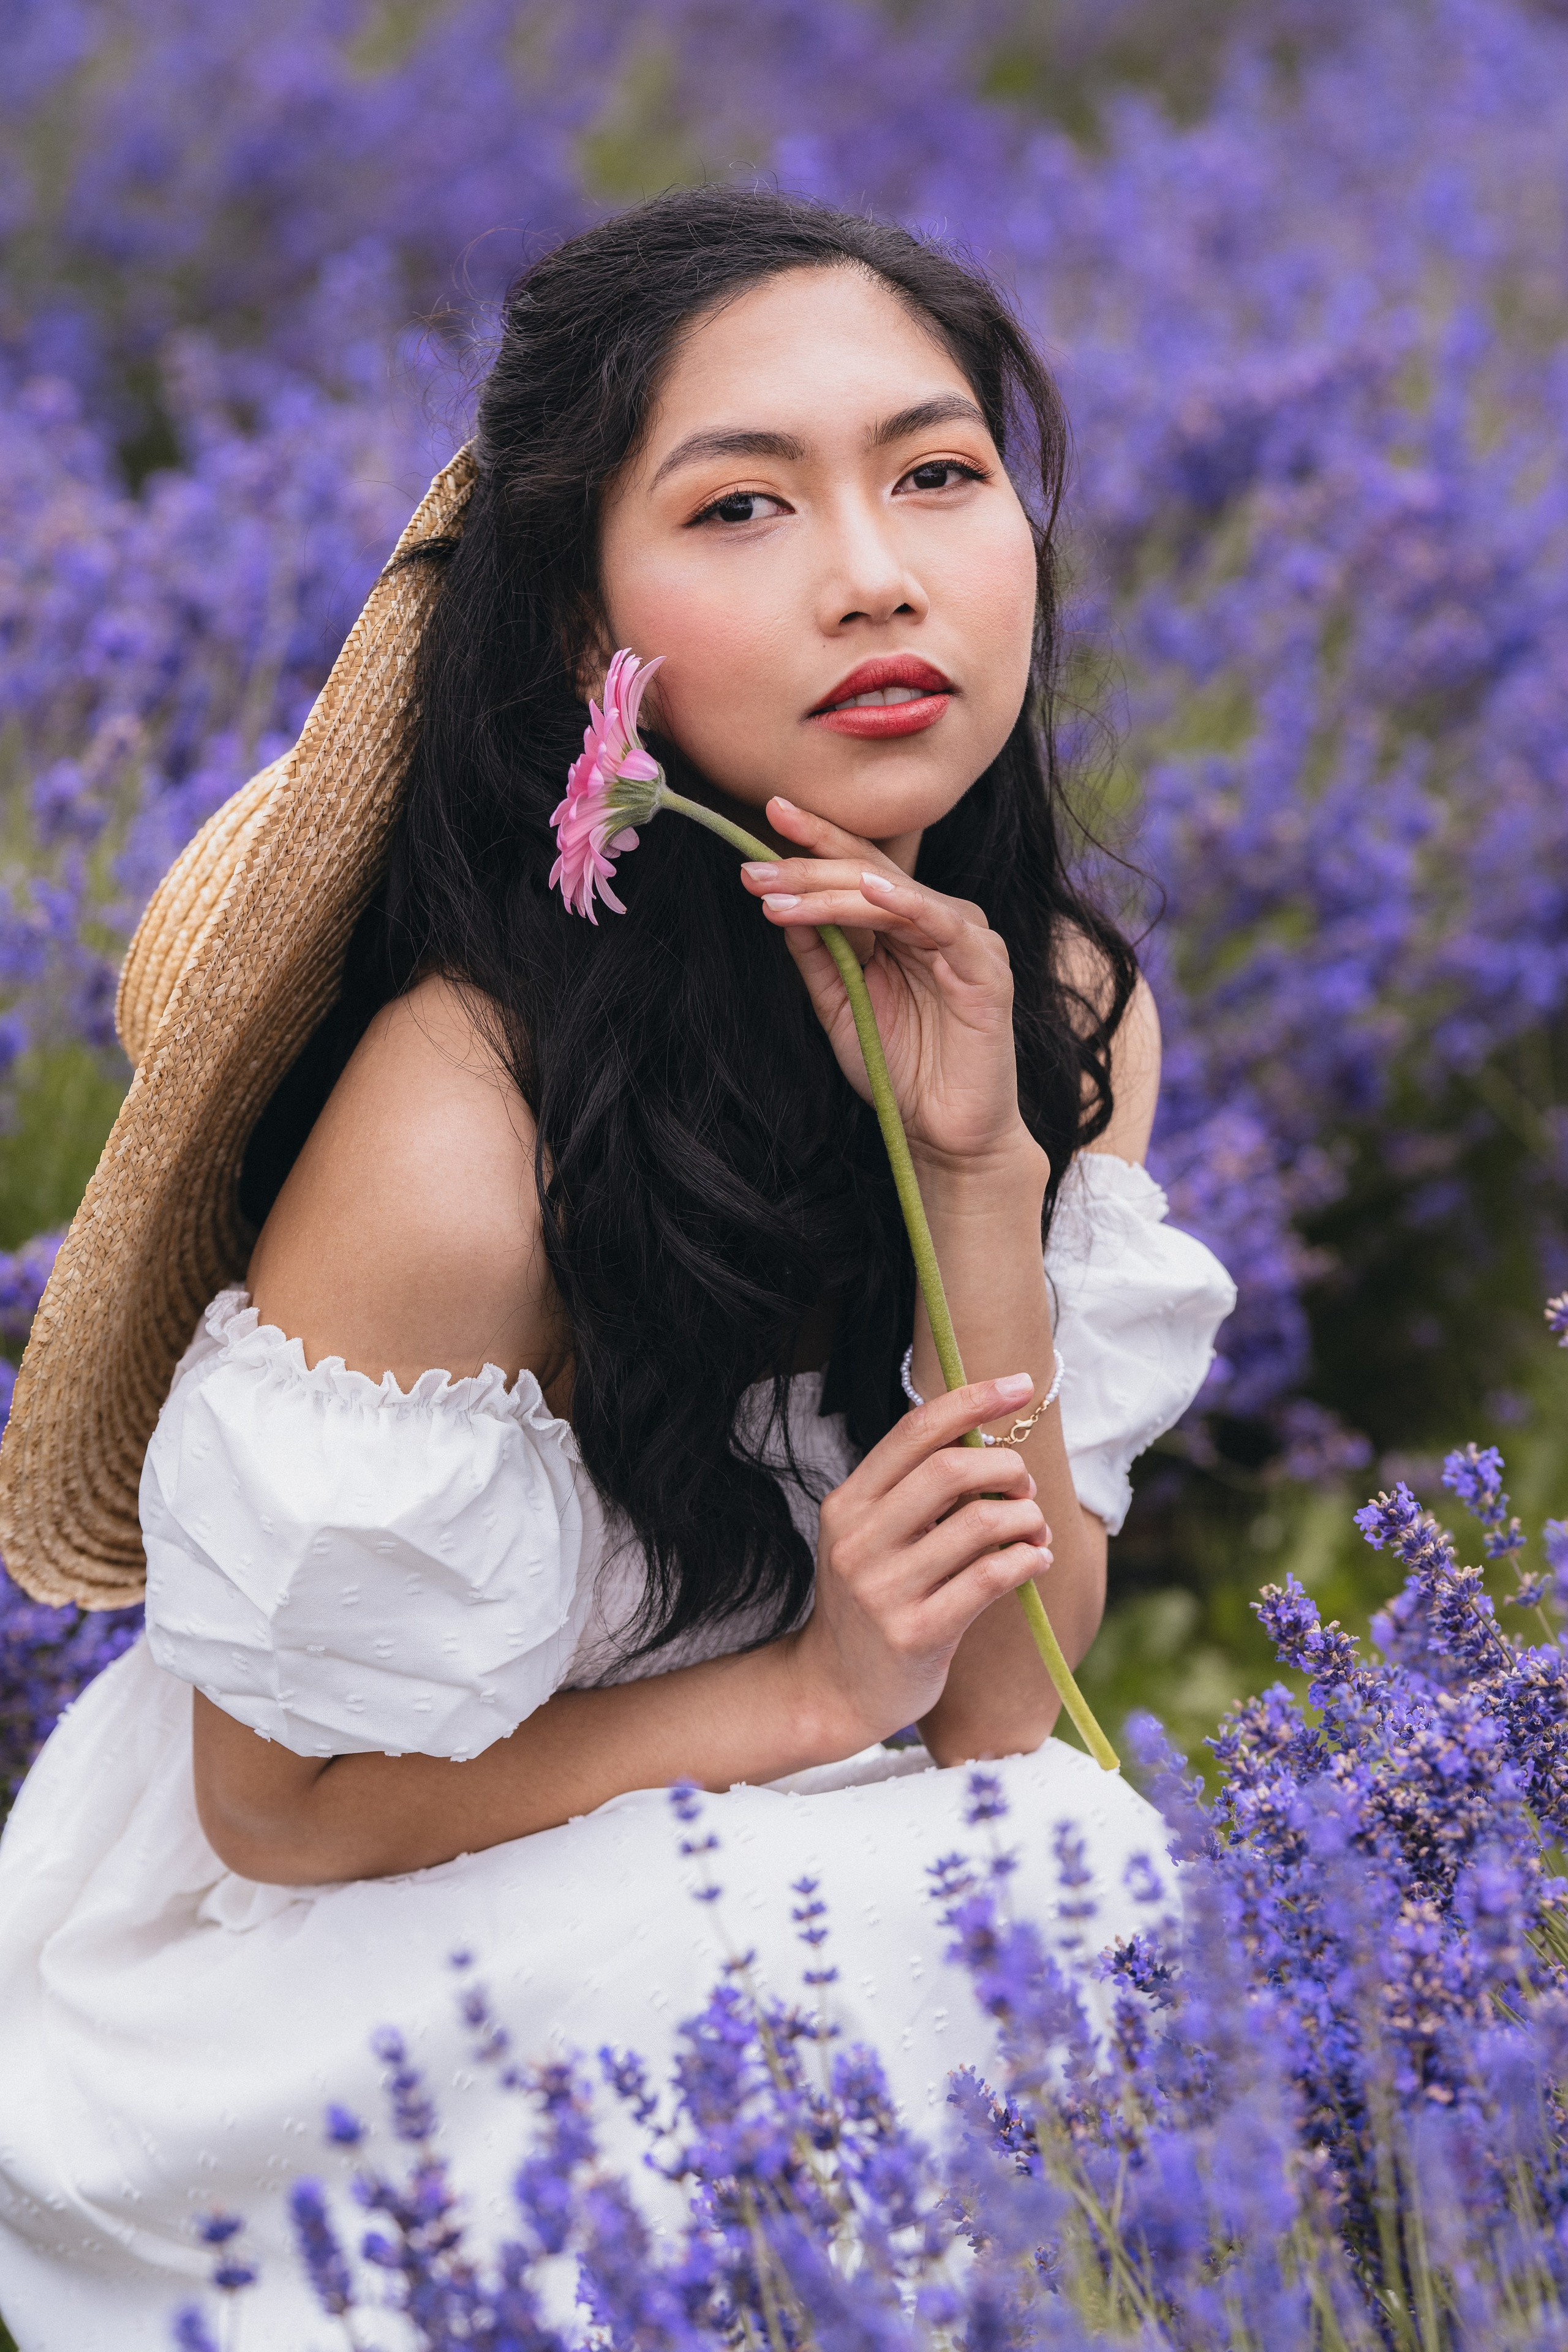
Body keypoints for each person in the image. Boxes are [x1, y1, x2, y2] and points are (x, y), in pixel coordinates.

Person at [0, 189, 1235, 2348]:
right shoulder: (464, 1124)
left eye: (938, 474)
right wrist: (810, 1693)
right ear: (596, 647)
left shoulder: (1059, 1009)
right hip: (313, 1962)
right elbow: (275, 1812)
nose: (877, 571)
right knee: (994, 1905)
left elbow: (1011, 1704)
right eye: (742, 506)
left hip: (788, 1835)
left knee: (1051, 1874)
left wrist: (966, 1158)